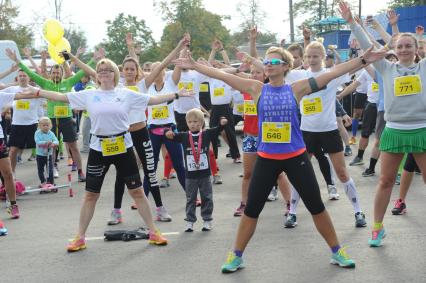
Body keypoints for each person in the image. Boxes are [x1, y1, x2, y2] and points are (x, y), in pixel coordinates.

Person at [174, 44, 386, 272]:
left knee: (316, 207)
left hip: (296, 157)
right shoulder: (256, 89)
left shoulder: (297, 88)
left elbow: (333, 73)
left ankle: (337, 251)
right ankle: (236, 255)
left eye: (274, 62)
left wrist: (363, 60)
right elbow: (221, 75)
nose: (268, 65)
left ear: (286, 66)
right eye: (266, 62)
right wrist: (195, 66)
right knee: (252, 209)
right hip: (266, 158)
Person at [21, 58, 194, 252]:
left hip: (123, 147)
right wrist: (37, 92)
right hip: (98, 149)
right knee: (90, 195)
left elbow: (153, 100)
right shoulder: (89, 95)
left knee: (136, 192)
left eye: (108, 70)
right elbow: (61, 97)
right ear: (97, 74)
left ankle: (153, 231)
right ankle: (80, 237)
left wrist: (177, 94)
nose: (104, 72)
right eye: (100, 70)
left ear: (114, 74)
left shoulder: (126, 94)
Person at [339, 1, 426, 247]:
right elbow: (368, 46)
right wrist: (352, 23)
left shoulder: (424, 67)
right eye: (401, 46)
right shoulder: (386, 68)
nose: (405, 49)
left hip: (422, 130)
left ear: (417, 48)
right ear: (395, 49)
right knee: (386, 181)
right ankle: (377, 228)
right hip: (394, 130)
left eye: (409, 45)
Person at [285, 41, 367, 228]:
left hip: (329, 131)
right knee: (299, 175)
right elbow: (272, 66)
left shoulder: (331, 75)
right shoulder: (299, 75)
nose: (312, 59)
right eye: (309, 56)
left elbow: (356, 64)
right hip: (306, 133)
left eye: (315, 56)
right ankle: (292, 213)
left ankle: (358, 211)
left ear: (323, 57)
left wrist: (367, 56)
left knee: (341, 172)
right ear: (304, 58)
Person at [6, 48, 93, 181]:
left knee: (73, 146)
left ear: (62, 74)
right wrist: (17, 61)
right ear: (50, 74)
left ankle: (81, 172)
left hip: (66, 119)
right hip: (51, 120)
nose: (56, 75)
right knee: (51, 147)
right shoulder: (45, 83)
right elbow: (30, 72)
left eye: (58, 72)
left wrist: (94, 59)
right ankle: (53, 168)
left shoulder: (68, 82)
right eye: (54, 73)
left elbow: (83, 71)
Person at [165, 108, 226, 232]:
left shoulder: (206, 134)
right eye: (190, 122)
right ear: (187, 123)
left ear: (202, 122)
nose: (192, 124)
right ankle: (189, 221)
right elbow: (170, 135)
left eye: (196, 121)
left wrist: (222, 123)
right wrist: (167, 132)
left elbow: (218, 130)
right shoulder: (183, 136)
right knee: (190, 198)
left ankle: (207, 220)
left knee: (207, 197)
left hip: (204, 174)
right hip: (190, 175)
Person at [2, 70, 45, 177]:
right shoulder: (12, 89)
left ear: (29, 77)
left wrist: (42, 119)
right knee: (13, 151)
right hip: (17, 124)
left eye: (24, 76)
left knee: (42, 149)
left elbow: (43, 101)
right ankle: (12, 174)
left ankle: (45, 173)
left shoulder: (35, 90)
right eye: (20, 76)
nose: (22, 78)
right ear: (17, 78)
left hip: (33, 124)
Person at [34, 117, 59, 186]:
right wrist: (46, 143)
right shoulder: (37, 133)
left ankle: (50, 182)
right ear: (40, 126)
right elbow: (38, 142)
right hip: (40, 155)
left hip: (49, 154)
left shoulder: (51, 133)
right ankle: (43, 181)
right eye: (43, 125)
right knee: (40, 169)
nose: (45, 127)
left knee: (50, 169)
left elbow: (56, 140)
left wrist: (54, 143)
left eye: (47, 125)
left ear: (50, 126)